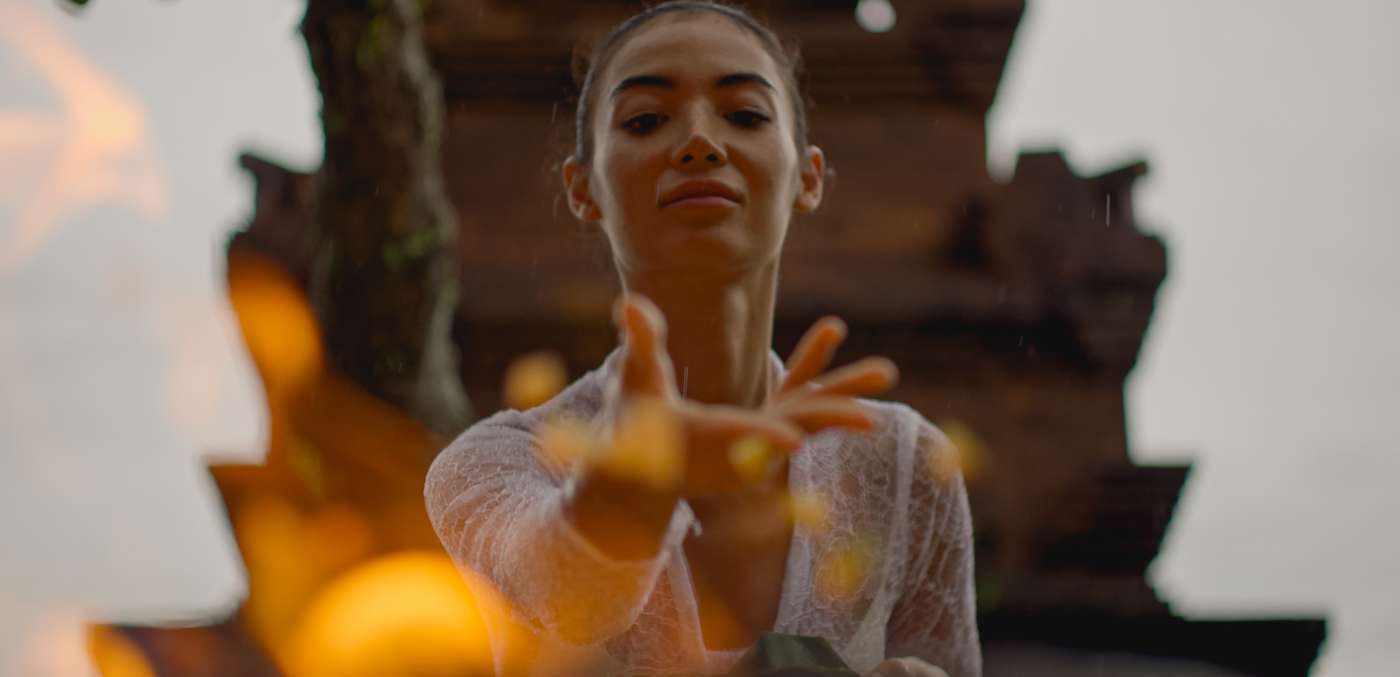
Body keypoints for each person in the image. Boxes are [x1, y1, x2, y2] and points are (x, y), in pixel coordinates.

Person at [424, 2, 980, 675]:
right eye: (644, 121)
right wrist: (629, 496)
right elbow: (568, 599)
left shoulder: (903, 468)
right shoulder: (493, 464)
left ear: (806, 176)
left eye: (744, 115)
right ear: (583, 189)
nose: (698, 143)